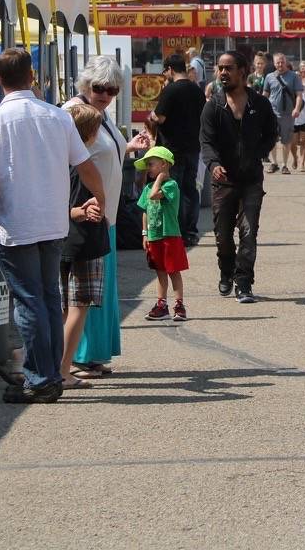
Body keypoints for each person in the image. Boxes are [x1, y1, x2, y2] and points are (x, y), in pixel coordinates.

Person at [0, 48, 105, 403]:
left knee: (29, 303)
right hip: (53, 221)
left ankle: (40, 379)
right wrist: (102, 201)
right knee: (47, 298)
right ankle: (52, 373)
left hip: (16, 224)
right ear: (32, 76)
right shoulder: (57, 117)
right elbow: (86, 166)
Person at [66, 56, 151, 380]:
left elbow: (100, 154)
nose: (105, 94)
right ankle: (77, 358)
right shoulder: (74, 111)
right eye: (99, 87)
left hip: (107, 217)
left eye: (111, 89)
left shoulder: (100, 116)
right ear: (86, 84)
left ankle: (92, 356)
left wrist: (128, 147)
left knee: (100, 293)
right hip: (87, 216)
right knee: (84, 294)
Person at [201, 51, 279, 304]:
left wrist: (258, 152)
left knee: (248, 232)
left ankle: (244, 282)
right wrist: (213, 164)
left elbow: (271, 132)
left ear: (242, 71)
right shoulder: (213, 105)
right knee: (223, 236)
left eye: (228, 68)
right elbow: (206, 141)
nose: (223, 73)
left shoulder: (260, 104)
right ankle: (227, 270)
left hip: (251, 180)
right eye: (220, 68)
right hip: (222, 181)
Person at [59, 103, 108, 390]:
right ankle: (62, 369)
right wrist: (86, 210)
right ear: (90, 133)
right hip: (83, 242)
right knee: (78, 307)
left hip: (63, 241)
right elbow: (73, 207)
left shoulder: (60, 161)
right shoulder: (83, 165)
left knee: (64, 308)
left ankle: (57, 366)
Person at [149, 54, 206, 247]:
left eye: (165, 72)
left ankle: (177, 231)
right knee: (191, 189)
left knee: (174, 189)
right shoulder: (197, 90)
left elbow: (160, 118)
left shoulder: (170, 90)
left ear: (170, 70)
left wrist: (152, 117)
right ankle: (190, 231)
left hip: (171, 149)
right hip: (193, 146)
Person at [137, 147, 188, 322]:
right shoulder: (148, 187)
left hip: (170, 235)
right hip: (154, 236)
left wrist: (159, 178)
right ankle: (161, 304)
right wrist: (145, 233)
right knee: (159, 271)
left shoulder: (171, 185)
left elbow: (154, 196)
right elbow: (144, 210)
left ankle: (179, 304)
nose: (148, 168)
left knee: (173, 270)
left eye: (151, 164)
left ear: (164, 164)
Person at [263, 53, 302, 174]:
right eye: (277, 62)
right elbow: (265, 95)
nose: (280, 64)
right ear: (274, 64)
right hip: (272, 113)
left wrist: (297, 109)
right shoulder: (269, 77)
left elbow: (299, 95)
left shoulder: (294, 76)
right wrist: (262, 109)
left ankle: (285, 165)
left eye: (282, 62)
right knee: (272, 139)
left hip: (288, 114)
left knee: (287, 140)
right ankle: (274, 163)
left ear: (286, 62)